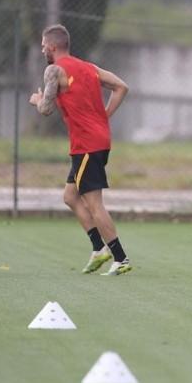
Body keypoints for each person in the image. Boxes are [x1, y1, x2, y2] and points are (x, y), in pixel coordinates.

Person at [29, 24, 133, 276]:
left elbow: (46, 109)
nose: (43, 50)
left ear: (52, 47)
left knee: (94, 204)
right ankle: (99, 248)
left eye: (44, 46)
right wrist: (104, 115)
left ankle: (120, 258)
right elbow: (121, 87)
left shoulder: (53, 70)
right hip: (93, 141)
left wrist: (37, 100)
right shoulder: (89, 67)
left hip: (87, 144)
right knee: (70, 196)